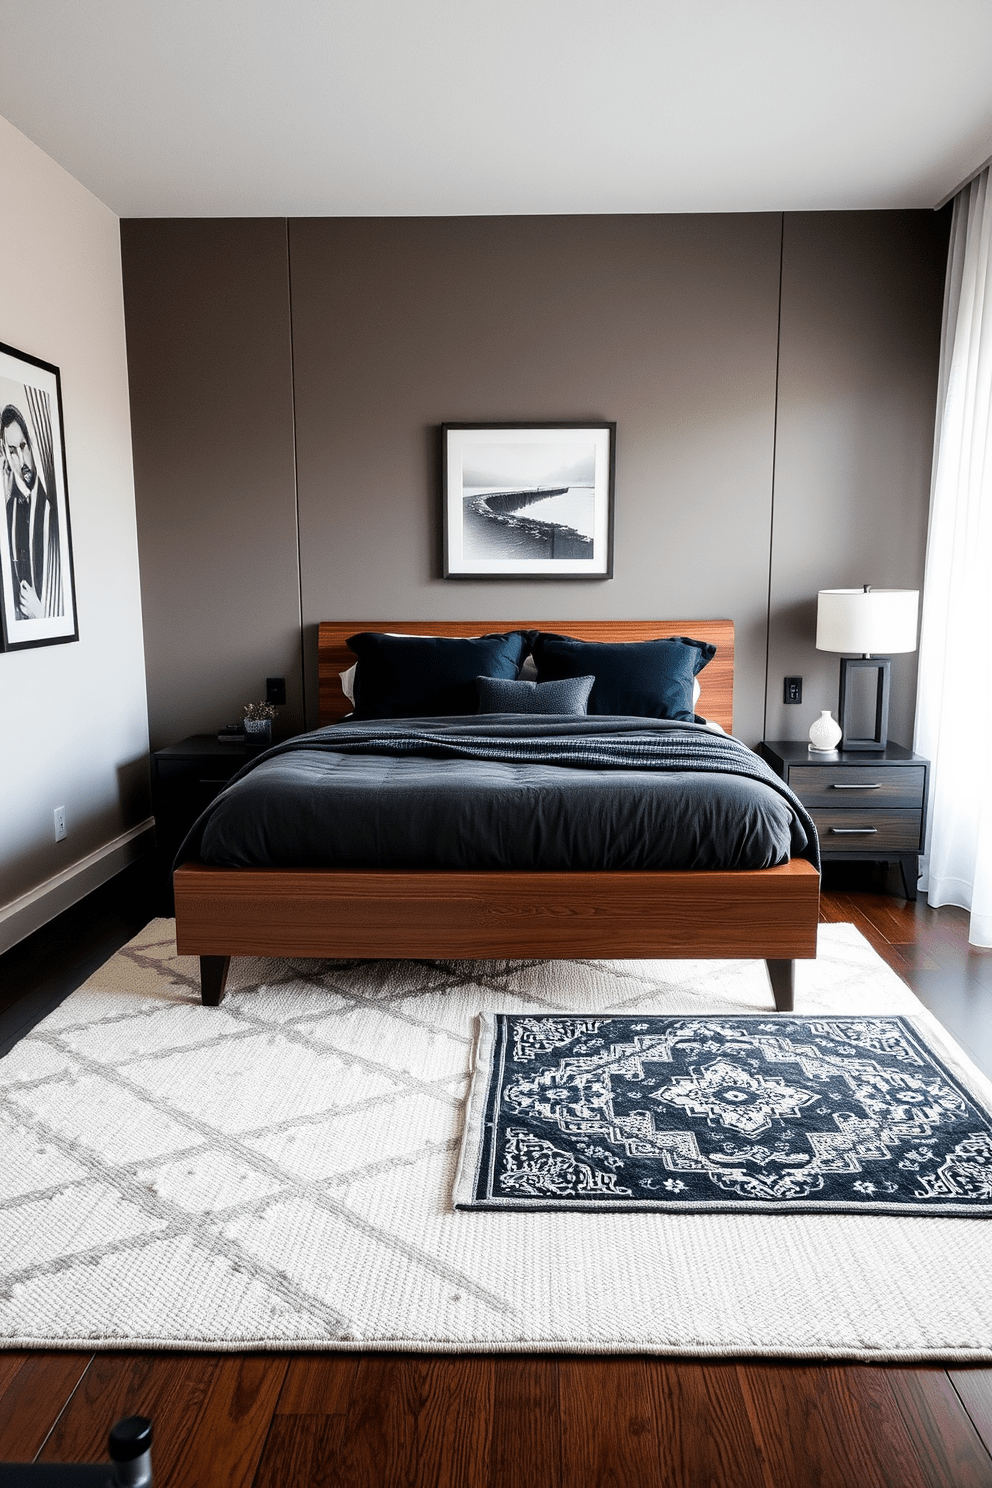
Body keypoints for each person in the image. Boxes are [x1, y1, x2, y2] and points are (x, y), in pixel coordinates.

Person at [2, 402, 62, 620]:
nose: (21, 458)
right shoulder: (9, 511)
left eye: (23, 446)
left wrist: (42, 613)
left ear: (31, 445)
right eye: (12, 451)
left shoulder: (53, 512)